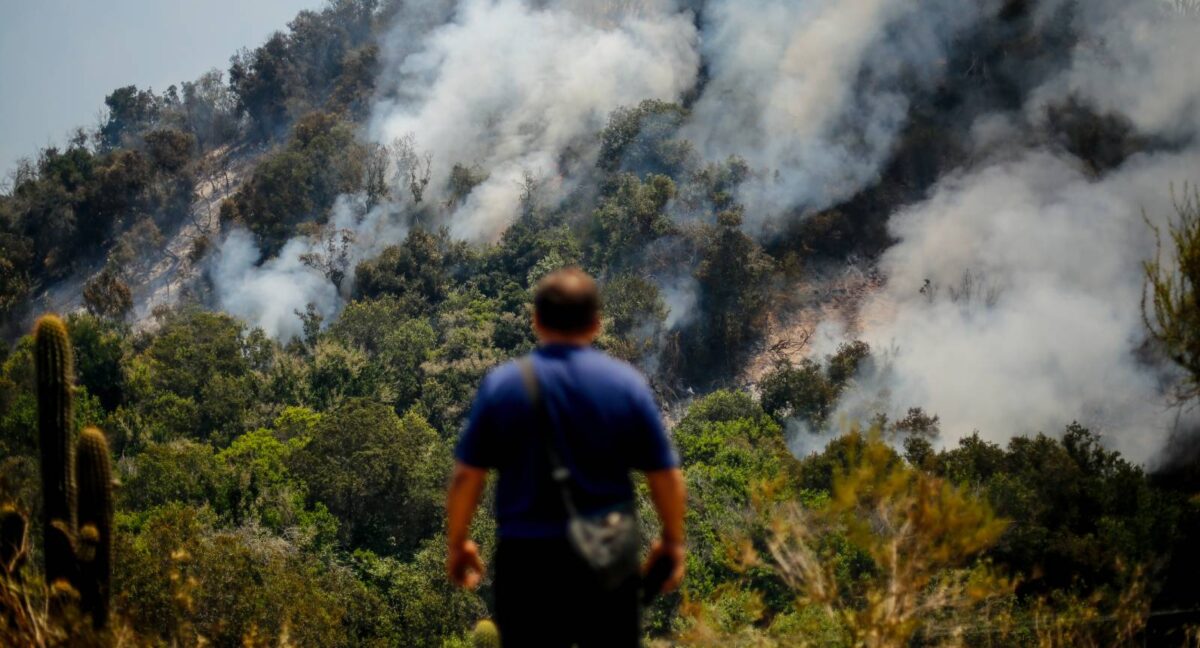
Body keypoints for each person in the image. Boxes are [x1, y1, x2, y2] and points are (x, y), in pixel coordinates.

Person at [446, 267, 686, 647]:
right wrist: (672, 541)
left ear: (537, 321)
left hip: (527, 563)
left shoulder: (502, 386)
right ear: (596, 323)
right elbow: (665, 477)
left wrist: (458, 543)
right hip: (606, 557)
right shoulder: (626, 385)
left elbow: (466, 478)